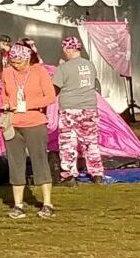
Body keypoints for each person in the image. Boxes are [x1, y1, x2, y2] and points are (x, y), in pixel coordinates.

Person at [0, 42, 55, 221]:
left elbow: (50, 97)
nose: (16, 65)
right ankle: (18, 205)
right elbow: (4, 95)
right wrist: (6, 105)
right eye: (13, 61)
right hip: (13, 123)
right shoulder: (7, 73)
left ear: (27, 59)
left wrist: (27, 105)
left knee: (40, 161)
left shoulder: (39, 72)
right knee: (16, 163)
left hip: (35, 122)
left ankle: (47, 203)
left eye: (19, 62)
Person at [50, 36, 104, 184]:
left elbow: (54, 89)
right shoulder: (90, 65)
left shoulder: (63, 68)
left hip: (69, 109)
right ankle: (97, 173)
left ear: (68, 49)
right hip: (89, 108)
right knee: (91, 142)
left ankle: (69, 174)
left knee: (68, 142)